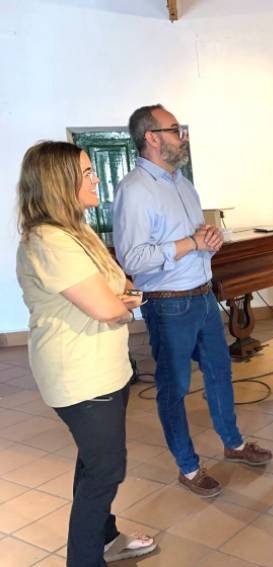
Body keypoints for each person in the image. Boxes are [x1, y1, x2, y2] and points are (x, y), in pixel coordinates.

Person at [113, 105, 272, 498]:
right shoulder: (134, 190)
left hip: (202, 297)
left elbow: (194, 241)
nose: (182, 136)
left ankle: (233, 444)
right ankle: (187, 466)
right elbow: (132, 259)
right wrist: (191, 243)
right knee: (174, 387)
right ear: (151, 137)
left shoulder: (183, 183)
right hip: (168, 305)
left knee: (220, 373)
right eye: (174, 129)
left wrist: (209, 242)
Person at [16, 141, 156, 566]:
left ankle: (107, 538)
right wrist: (124, 302)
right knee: (105, 471)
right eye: (87, 172)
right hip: (79, 375)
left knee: (94, 461)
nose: (97, 178)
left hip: (101, 368)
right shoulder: (50, 240)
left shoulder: (76, 230)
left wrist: (122, 298)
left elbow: (117, 288)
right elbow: (108, 305)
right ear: (60, 182)